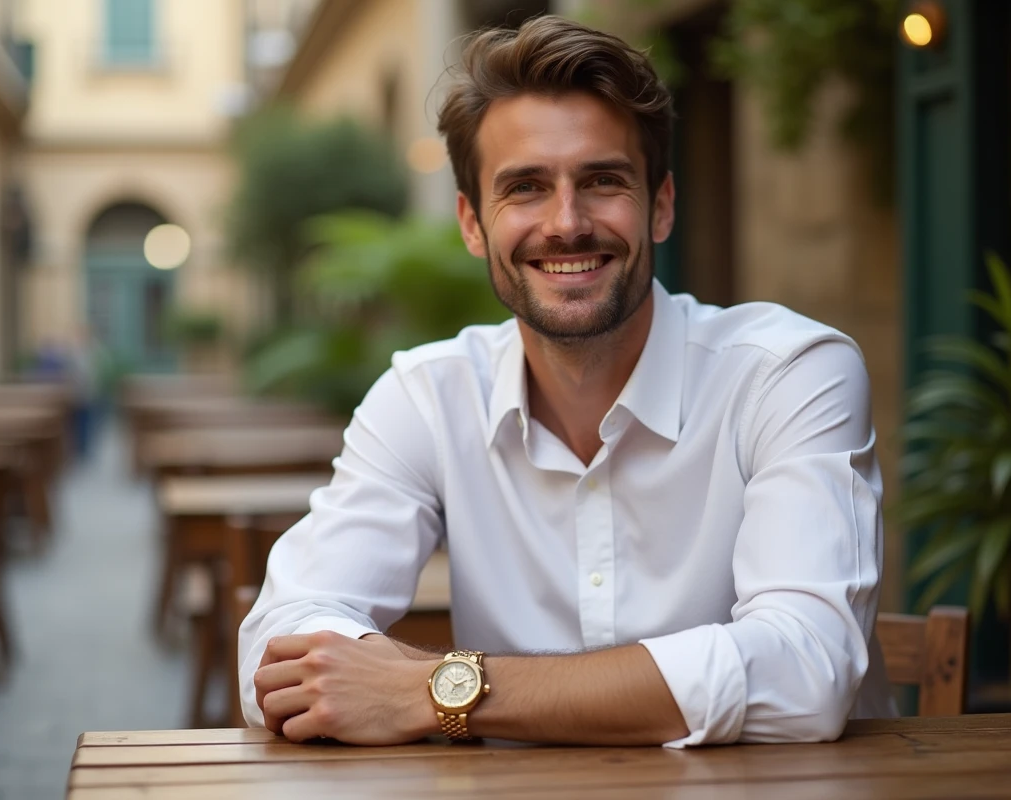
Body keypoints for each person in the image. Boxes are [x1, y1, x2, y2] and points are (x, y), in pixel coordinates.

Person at [240, 14, 895, 747]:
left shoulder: (789, 376)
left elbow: (805, 673)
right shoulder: (427, 397)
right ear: (471, 224)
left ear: (662, 204)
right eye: (524, 187)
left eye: (603, 180)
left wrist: (439, 688)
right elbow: (279, 642)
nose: (567, 223)